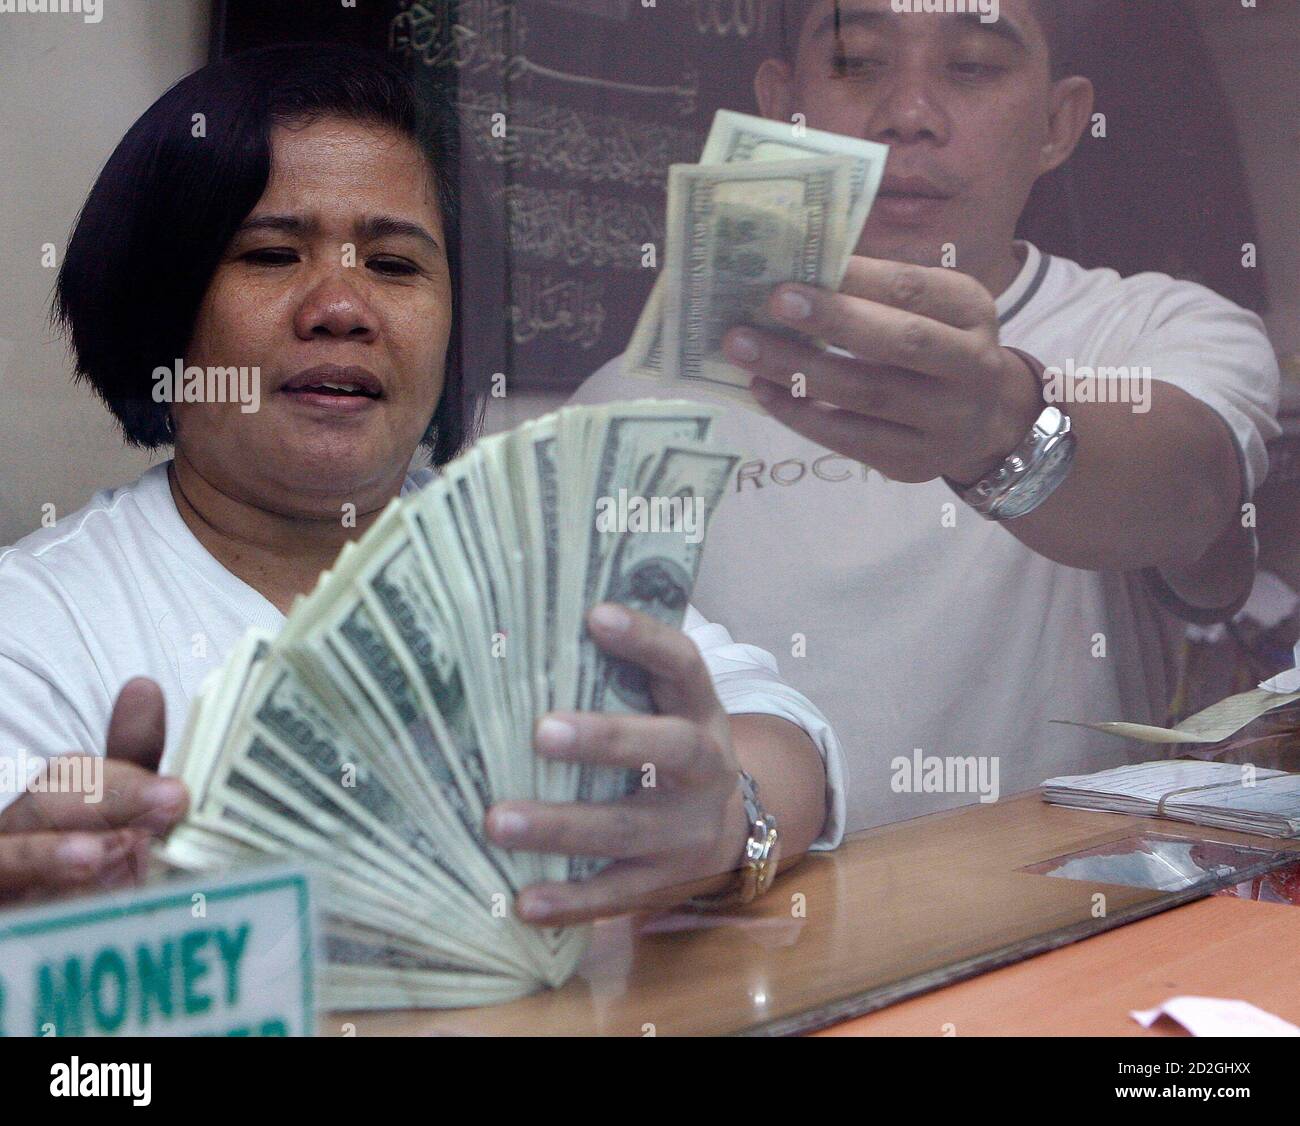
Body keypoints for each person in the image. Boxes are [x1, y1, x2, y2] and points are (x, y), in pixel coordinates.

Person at [0, 44, 844, 917]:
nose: (340, 307)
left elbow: (778, 728)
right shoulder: (33, 626)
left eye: (396, 265)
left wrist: (727, 818)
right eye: (272, 255)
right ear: (162, 307)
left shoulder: (537, 557)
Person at [573, 0, 1281, 831]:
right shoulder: (622, 406)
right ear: (777, 105)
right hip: (755, 941)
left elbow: (1192, 497)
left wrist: (1005, 430)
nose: (908, 116)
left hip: (1073, 925)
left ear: (1059, 125)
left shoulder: (1157, 332)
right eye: (856, 62)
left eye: (973, 66)